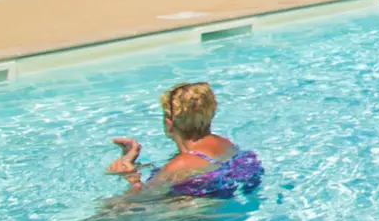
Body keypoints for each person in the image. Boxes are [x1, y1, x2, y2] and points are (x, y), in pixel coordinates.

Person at [104, 82, 264, 199]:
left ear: (169, 124)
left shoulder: (179, 165)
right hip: (222, 201)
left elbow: (138, 199)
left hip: (196, 214)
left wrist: (129, 174)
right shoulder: (224, 143)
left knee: (111, 209)